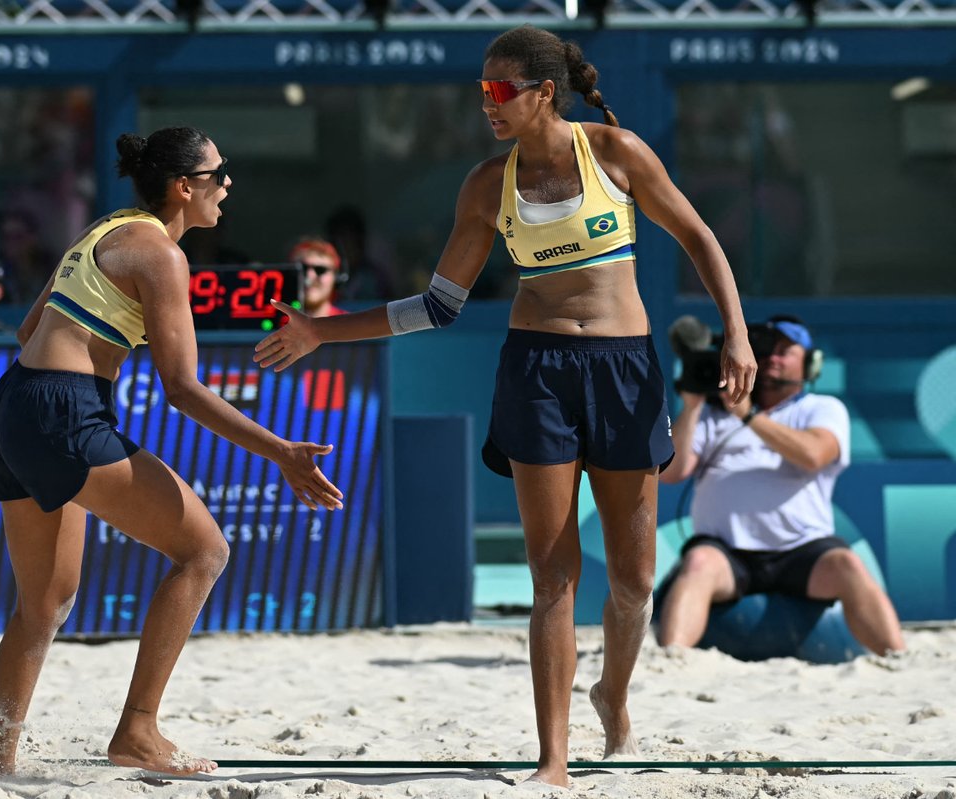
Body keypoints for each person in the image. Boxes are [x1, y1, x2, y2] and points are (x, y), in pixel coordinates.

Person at [254, 25, 756, 787]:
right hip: (537, 370)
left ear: (544, 92)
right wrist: (324, 330)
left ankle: (613, 696)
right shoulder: (488, 183)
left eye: (499, 90)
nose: (486, 104)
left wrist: (737, 336)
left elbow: (701, 238)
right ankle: (553, 759)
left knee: (632, 580)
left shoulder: (615, 152)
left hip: (623, 368)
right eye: (480, 90)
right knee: (551, 576)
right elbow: (438, 304)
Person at [0, 126, 343, 780]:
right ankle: (138, 731)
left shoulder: (106, 228)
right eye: (217, 174)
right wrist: (282, 451)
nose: (227, 184)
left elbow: (30, 327)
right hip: (64, 408)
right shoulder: (162, 256)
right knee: (204, 551)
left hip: (14, 402)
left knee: (44, 602)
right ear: (183, 187)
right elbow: (182, 389)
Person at [657, 315, 905, 655]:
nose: (773, 358)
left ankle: (897, 657)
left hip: (801, 550)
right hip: (727, 552)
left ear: (811, 363)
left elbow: (813, 455)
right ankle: (671, 661)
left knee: (848, 566)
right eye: (765, 351)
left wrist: (748, 416)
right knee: (698, 563)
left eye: (785, 351)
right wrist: (692, 406)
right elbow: (672, 473)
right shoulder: (714, 415)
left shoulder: (822, 408)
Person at [289, 237, 347, 318]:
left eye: (320, 270)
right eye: (303, 269)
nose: (309, 276)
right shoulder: (276, 322)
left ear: (336, 277)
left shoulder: (349, 324)